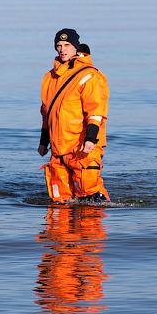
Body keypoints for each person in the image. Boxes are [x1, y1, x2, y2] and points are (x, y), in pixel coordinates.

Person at [38, 28, 110, 203]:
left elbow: (96, 111)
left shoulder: (89, 75)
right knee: (60, 202)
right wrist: (43, 142)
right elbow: (47, 113)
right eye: (59, 45)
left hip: (82, 147)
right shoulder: (50, 77)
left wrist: (91, 139)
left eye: (67, 45)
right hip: (58, 150)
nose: (62, 49)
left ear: (76, 48)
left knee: (92, 199)